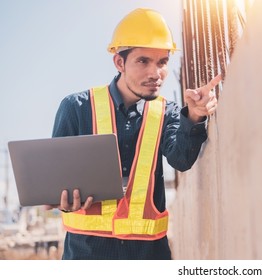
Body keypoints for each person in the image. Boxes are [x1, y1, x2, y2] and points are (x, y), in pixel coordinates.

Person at [48, 7, 220, 259]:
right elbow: (56, 182)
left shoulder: (168, 112)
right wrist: (62, 201)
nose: (156, 73)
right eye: (143, 61)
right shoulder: (76, 108)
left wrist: (195, 116)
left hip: (149, 255)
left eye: (162, 62)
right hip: (86, 256)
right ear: (119, 62)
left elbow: (181, 160)